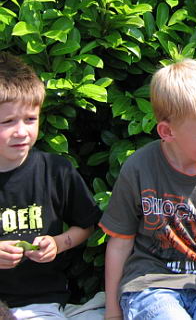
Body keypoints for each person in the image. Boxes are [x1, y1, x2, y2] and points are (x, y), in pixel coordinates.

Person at [99, 59, 196, 320]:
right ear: (167, 131)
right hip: (150, 285)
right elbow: (120, 243)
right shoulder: (139, 168)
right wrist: (112, 312)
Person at [0, 52, 101, 319]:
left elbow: (86, 226)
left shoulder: (56, 171)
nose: (21, 131)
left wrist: (58, 243)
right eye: (8, 122)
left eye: (30, 119)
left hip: (39, 301)